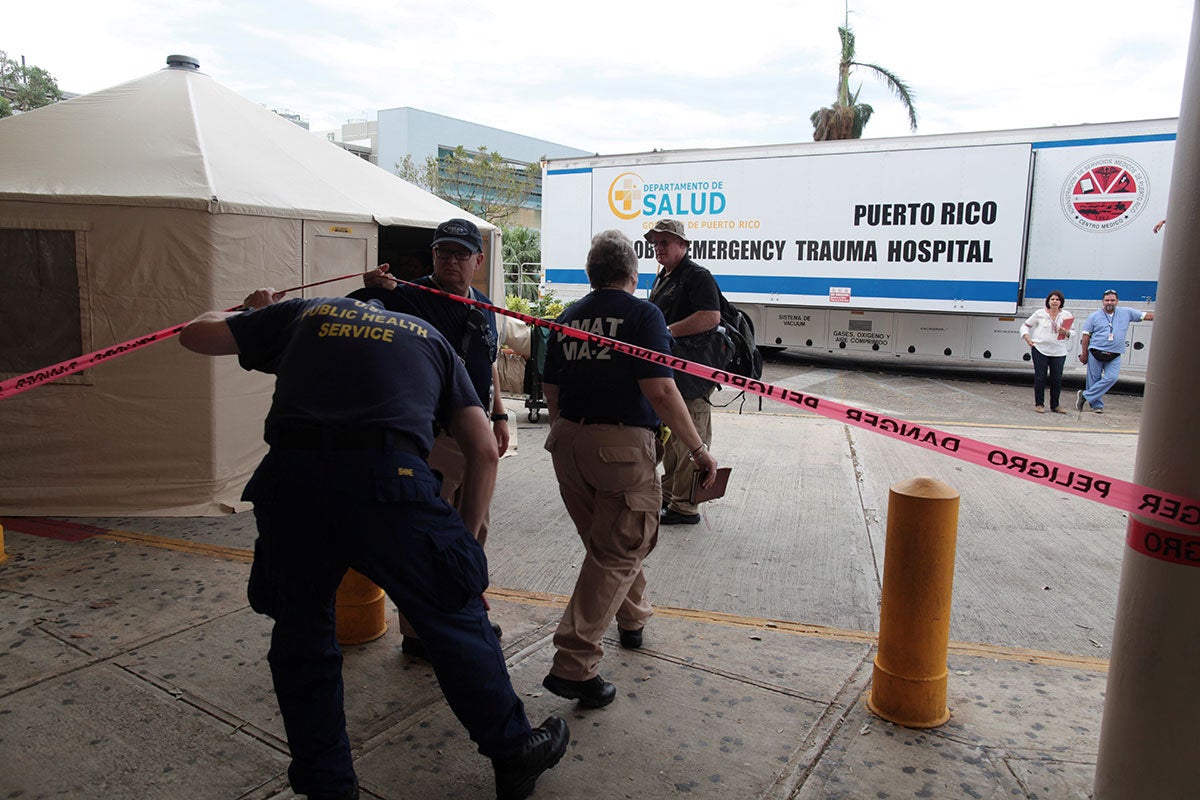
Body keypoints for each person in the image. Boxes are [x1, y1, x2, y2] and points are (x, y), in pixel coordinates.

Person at [179, 290, 567, 800]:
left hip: (293, 482)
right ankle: (513, 751)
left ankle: (327, 785)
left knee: (303, 637)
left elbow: (194, 334)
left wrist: (248, 312)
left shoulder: (303, 312)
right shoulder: (430, 340)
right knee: (454, 615)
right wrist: (465, 551)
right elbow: (484, 452)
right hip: (392, 481)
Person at [539, 230, 719, 708]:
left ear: (590, 273)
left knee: (607, 542)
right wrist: (699, 451)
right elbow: (661, 391)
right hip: (619, 446)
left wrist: (565, 431)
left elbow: (550, 387)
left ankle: (632, 618)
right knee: (621, 546)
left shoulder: (569, 317)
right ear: (632, 274)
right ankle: (574, 663)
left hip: (568, 443)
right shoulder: (644, 315)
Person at [356, 218, 509, 656]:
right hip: (434, 434)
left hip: (476, 434)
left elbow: (489, 362)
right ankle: (419, 632)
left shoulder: (482, 305)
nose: (451, 261)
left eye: (461, 254)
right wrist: (373, 289)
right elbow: (362, 311)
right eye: (443, 252)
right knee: (427, 535)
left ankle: (461, 608)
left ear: (478, 260)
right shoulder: (409, 296)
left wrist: (499, 415)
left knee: (473, 529)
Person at [644, 219, 723, 526]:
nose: (658, 248)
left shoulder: (697, 276)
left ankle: (686, 507)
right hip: (671, 372)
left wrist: (665, 332)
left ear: (683, 245)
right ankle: (672, 496)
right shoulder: (664, 276)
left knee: (692, 438)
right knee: (675, 440)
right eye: (655, 243)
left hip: (692, 374)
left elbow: (710, 316)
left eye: (665, 242)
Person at [1076, 289, 1155, 414]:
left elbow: (1146, 316)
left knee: (1111, 378)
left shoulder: (1127, 313)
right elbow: (1086, 336)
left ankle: (1085, 395)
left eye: (1112, 300)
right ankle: (1097, 405)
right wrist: (1084, 353)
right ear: (1102, 301)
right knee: (1094, 379)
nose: (1110, 302)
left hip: (1115, 354)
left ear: (1117, 301)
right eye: (1107, 300)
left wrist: (1167, 313)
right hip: (1096, 352)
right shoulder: (1094, 316)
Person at [1019, 290, 1074, 413]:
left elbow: (1073, 332)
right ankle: (1039, 404)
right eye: (1052, 299)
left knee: (1057, 378)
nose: (1055, 302)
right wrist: (1027, 337)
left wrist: (1066, 332)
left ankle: (1055, 405)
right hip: (1040, 349)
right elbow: (1025, 326)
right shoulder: (1040, 313)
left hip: (1058, 351)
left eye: (1057, 300)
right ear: (1048, 301)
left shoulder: (1066, 315)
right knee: (1040, 378)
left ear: (1061, 302)